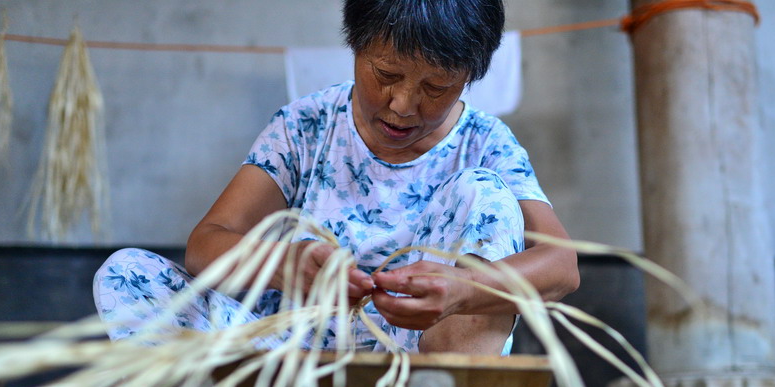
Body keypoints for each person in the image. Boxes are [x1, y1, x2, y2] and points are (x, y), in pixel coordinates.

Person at [94, 0, 578, 359]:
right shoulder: (307, 125)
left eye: (436, 88)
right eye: (386, 74)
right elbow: (205, 246)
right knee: (126, 274)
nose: (404, 104)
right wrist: (284, 263)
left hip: (416, 368)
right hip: (289, 365)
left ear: (469, 78)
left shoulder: (485, 142)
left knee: (485, 193)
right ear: (356, 47)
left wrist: (464, 289)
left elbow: (561, 265)